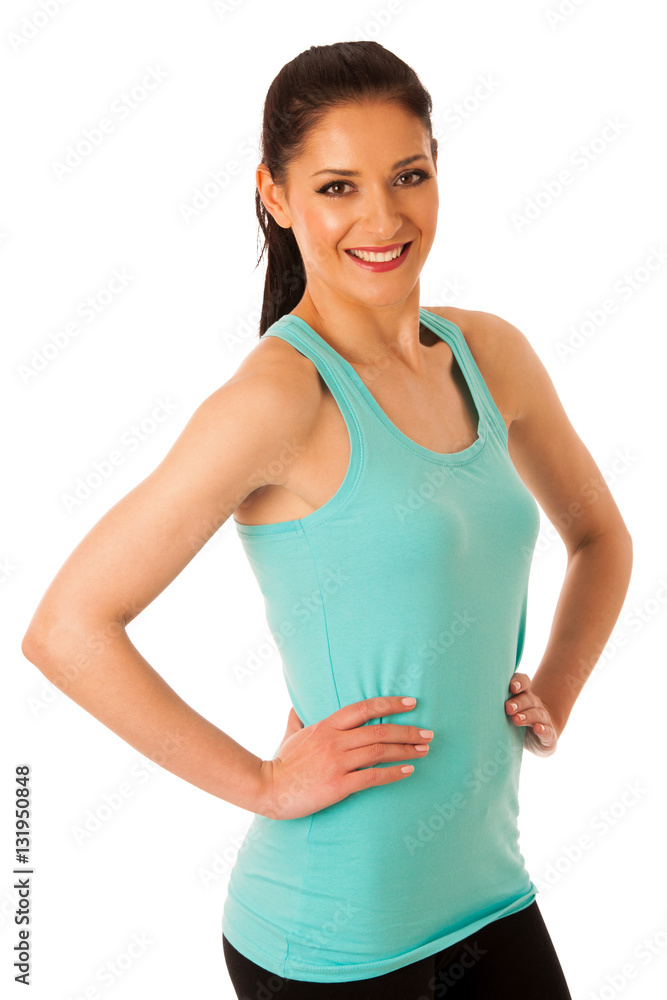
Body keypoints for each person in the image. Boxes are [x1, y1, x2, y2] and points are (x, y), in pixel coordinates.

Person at [21, 40, 632, 1000]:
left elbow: (599, 536)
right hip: (331, 941)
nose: (382, 219)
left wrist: (556, 686)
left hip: (489, 896)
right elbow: (66, 629)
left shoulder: (490, 354)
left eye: (408, 176)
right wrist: (264, 783)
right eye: (337, 187)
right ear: (275, 195)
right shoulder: (279, 400)